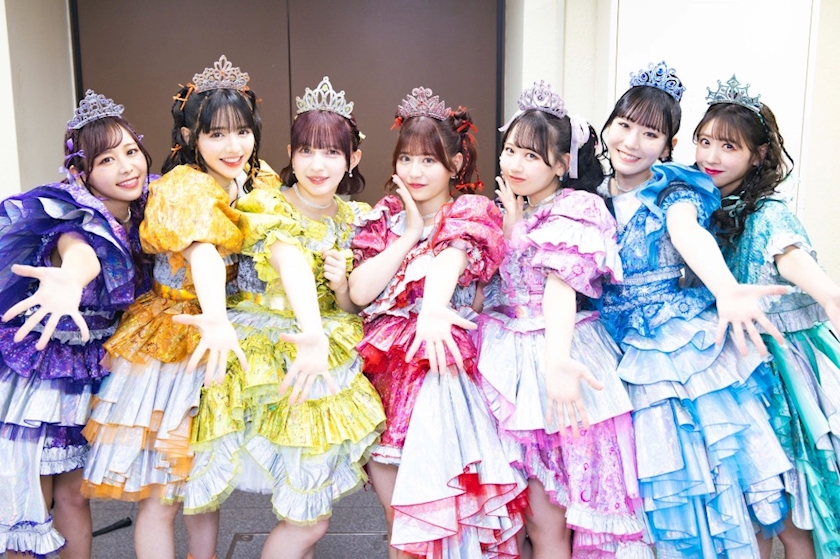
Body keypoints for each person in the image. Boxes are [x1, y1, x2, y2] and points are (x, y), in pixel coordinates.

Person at [596, 61, 792, 558]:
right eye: (624, 125)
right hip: (607, 343)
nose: (632, 142)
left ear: (668, 147)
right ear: (608, 125)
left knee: (699, 480)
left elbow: (686, 232)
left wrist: (725, 288)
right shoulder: (588, 197)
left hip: (666, 344)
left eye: (650, 134)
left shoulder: (673, 190)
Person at [183, 76, 385, 559]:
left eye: (331, 153)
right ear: (291, 155)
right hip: (265, 353)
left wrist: (342, 288)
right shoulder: (267, 202)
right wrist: (312, 332)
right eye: (306, 151)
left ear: (353, 158)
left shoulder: (358, 218)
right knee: (303, 517)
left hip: (326, 354)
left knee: (306, 513)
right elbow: (286, 257)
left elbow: (353, 304)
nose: (317, 165)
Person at [81, 55, 270, 559]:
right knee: (163, 493)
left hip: (226, 333)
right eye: (216, 134)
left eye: (242, 132)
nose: (233, 146)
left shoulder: (258, 180)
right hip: (177, 335)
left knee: (205, 485)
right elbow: (202, 251)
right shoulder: (183, 186)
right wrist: (216, 319)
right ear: (190, 137)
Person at [349, 86, 527, 558]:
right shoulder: (384, 218)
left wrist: (431, 308)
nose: (415, 171)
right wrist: (409, 233)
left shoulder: (469, 212)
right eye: (406, 159)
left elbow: (453, 256)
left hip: (447, 373)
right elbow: (361, 292)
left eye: (429, 160)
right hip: (387, 374)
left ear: (455, 164)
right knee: (399, 521)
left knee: (451, 516)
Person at [476, 81, 652, 558]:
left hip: (556, 350)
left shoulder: (578, 207)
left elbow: (560, 287)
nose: (514, 164)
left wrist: (554, 361)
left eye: (531, 156)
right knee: (530, 521)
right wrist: (509, 227)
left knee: (556, 520)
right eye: (510, 150)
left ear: (561, 164)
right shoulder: (514, 208)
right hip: (507, 353)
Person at [0, 89, 151, 558]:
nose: (126, 167)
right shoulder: (76, 217)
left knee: (74, 495)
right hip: (39, 367)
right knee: (29, 500)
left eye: (131, 151)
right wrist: (70, 279)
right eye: (107, 159)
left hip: (88, 366)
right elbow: (80, 252)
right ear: (81, 172)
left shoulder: (147, 208)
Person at [695, 75, 840, 559]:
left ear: (757, 156)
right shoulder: (699, 204)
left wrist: (829, 295)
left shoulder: (768, 213)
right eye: (705, 141)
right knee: (747, 519)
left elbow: (792, 257)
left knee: (791, 521)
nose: (712, 156)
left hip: (774, 375)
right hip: (724, 370)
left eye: (728, 146)